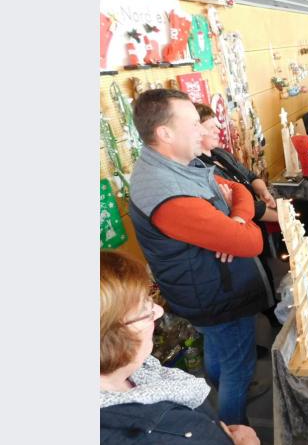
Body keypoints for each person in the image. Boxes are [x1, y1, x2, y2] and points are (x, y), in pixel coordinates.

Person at [129, 89, 270, 425]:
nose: (202, 130)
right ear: (165, 133)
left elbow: (239, 190)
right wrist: (238, 229)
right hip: (215, 293)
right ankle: (234, 428)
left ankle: (219, 387)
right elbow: (252, 244)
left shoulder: (179, 164)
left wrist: (234, 219)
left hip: (207, 287)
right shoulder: (166, 191)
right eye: (193, 123)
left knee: (218, 346)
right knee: (238, 364)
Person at [100, 251, 261, 444]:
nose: (159, 312)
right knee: (234, 369)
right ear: (110, 338)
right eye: (144, 310)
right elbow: (249, 243)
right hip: (213, 298)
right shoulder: (156, 433)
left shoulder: (130, 373)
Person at [195, 104, 277, 223]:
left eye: (216, 126)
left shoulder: (220, 153)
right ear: (197, 132)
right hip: (242, 221)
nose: (217, 131)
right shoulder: (199, 168)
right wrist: (282, 217)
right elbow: (237, 203)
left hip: (257, 212)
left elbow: (251, 176)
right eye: (211, 127)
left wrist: (263, 191)